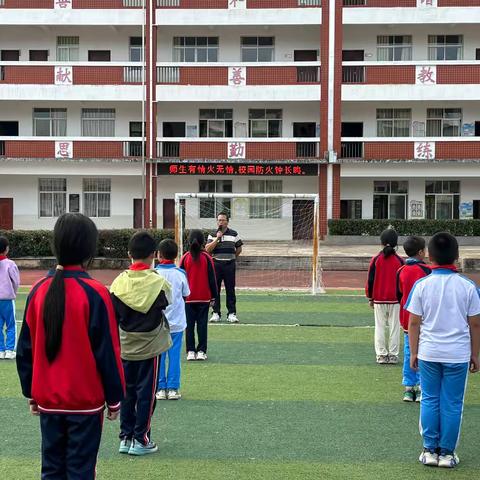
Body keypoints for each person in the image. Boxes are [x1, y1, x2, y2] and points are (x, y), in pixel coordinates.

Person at [16, 213, 125, 480]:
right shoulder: (95, 292)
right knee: (81, 471)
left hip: (48, 400)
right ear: (89, 248)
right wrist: (114, 399)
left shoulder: (38, 290)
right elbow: (108, 352)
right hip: (84, 402)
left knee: (51, 470)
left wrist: (32, 392)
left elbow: (25, 351)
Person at [406, 232, 480, 468]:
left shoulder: (422, 285)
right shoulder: (468, 286)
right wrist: (475, 354)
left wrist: (414, 352)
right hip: (457, 355)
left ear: (429, 257)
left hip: (428, 353)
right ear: (457, 258)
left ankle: (429, 450)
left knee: (430, 399)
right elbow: (475, 323)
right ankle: (447, 454)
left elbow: (414, 322)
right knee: (452, 404)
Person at [110, 231, 172, 456]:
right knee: (147, 394)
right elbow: (167, 304)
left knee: (127, 392)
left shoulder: (118, 282)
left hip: (125, 346)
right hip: (151, 347)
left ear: (129, 254)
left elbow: (114, 313)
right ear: (154, 254)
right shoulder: (158, 282)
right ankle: (141, 439)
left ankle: (125, 437)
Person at [396, 236, 431, 402]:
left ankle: (409, 389)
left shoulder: (401, 270)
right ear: (420, 252)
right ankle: (423, 388)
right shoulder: (426, 271)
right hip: (424, 319)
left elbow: (400, 295)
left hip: (406, 319)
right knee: (424, 353)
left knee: (409, 352)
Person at [155, 238, 190, 401]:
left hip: (159, 322)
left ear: (158, 255)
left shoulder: (154, 273)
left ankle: (160, 388)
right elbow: (186, 293)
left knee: (160, 354)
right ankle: (173, 388)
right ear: (176, 255)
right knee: (174, 355)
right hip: (176, 321)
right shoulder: (180, 273)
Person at [366, 228, 404, 364]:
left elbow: (370, 280)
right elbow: (402, 282)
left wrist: (370, 297)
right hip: (396, 300)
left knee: (380, 326)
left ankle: (381, 355)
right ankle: (393, 355)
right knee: (395, 327)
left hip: (379, 298)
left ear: (381, 242)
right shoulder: (400, 261)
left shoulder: (376, 260)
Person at [180, 229, 217, 361]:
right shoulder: (207, 257)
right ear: (202, 242)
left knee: (189, 326)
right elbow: (212, 279)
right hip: (204, 297)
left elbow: (181, 279)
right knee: (202, 325)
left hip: (188, 298)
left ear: (189, 241)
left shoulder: (184, 257)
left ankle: (190, 351)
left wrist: (180, 296)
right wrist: (214, 297)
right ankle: (201, 351)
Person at [206, 211, 243, 323]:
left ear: (227, 221)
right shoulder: (212, 234)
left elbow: (239, 248)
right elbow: (207, 249)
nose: (221, 222)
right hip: (216, 265)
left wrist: (232, 257)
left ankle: (231, 313)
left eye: (223, 220)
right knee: (215, 290)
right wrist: (217, 238)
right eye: (219, 220)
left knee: (230, 290)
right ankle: (216, 313)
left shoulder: (234, 234)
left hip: (229, 265)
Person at [0, 236, 20, 360]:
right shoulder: (10, 264)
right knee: (11, 325)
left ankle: (1, 350)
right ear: (6, 249)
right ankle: (10, 349)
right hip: (7, 299)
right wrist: (13, 292)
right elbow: (16, 282)